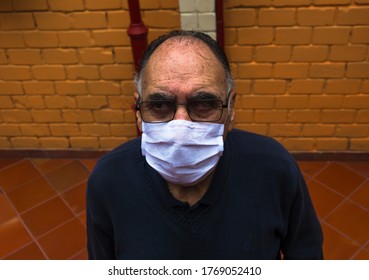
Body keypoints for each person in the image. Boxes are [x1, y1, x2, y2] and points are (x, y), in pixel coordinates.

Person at [86, 30, 324, 260]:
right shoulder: (108, 180)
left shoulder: (275, 168)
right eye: (159, 105)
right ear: (138, 111)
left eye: (203, 103)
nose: (181, 125)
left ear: (230, 108)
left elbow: (306, 257)